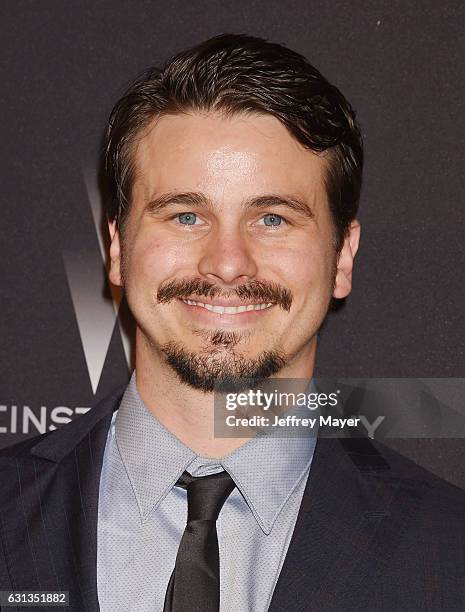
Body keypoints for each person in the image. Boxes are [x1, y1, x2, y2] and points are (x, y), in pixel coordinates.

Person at [1, 33, 464, 612]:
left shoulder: (449, 552)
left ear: (342, 257)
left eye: (272, 218)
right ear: (117, 248)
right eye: (186, 214)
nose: (226, 263)